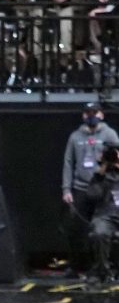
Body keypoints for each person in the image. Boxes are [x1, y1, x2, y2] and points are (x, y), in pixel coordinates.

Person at [61, 101, 118, 275]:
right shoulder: (75, 137)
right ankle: (77, 265)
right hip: (81, 187)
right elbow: (68, 163)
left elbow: (116, 156)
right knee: (76, 227)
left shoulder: (109, 134)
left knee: (102, 226)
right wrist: (66, 189)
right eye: (87, 113)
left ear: (101, 114)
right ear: (83, 115)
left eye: (95, 112)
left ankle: (104, 264)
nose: (91, 116)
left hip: (104, 186)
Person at [87, 142, 119, 281]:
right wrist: (101, 174)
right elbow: (92, 196)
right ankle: (103, 270)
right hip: (106, 216)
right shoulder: (99, 176)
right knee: (99, 233)